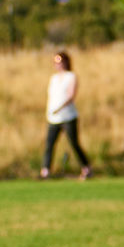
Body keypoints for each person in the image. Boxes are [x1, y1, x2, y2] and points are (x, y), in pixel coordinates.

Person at [42, 49, 89, 179]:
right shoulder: (54, 78)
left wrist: (60, 108)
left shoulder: (71, 76)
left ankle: (86, 168)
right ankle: (45, 171)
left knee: (74, 143)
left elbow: (71, 96)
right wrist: (51, 111)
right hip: (53, 118)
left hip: (68, 116)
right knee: (49, 145)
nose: (58, 65)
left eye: (60, 61)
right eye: (55, 62)